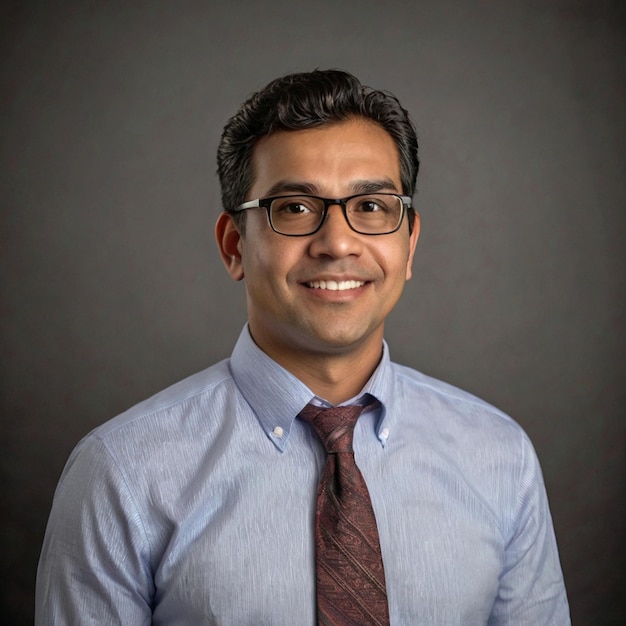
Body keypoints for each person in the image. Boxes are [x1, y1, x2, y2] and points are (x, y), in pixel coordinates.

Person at [35, 69, 570, 625]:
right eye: (293, 208)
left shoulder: (500, 457)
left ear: (409, 244)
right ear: (233, 245)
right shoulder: (121, 473)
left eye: (370, 207)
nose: (338, 243)